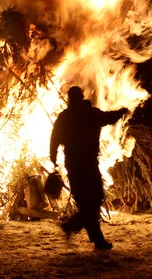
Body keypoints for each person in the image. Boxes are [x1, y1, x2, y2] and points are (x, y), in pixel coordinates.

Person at [49, 86, 128, 250]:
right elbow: (109, 117)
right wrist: (122, 111)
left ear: (70, 99)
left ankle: (78, 229)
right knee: (95, 199)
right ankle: (93, 238)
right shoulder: (90, 113)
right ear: (82, 97)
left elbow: (54, 140)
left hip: (74, 166)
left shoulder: (65, 117)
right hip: (88, 165)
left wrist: (54, 159)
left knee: (87, 203)